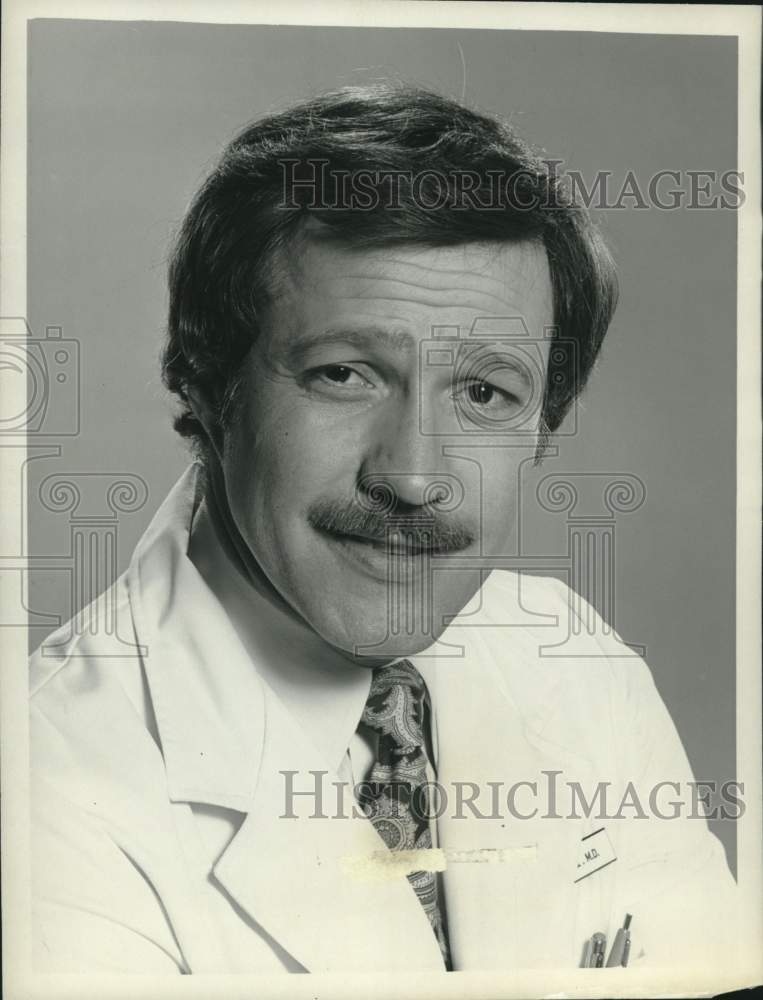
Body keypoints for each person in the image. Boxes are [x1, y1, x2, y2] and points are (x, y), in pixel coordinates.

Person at [30, 85, 737, 975]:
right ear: (209, 383)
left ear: (543, 429)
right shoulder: (45, 780)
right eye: (344, 374)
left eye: (485, 392)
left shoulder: (574, 660)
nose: (410, 476)